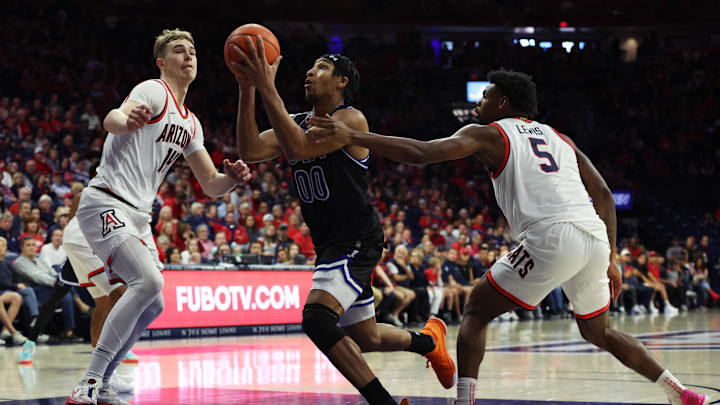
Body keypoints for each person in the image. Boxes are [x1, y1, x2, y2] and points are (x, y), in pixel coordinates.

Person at [308, 69, 709, 405]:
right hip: (593, 237)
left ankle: (464, 403)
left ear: (503, 103)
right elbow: (604, 194)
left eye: (486, 95)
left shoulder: (491, 133)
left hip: (552, 235)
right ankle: (678, 391)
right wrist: (613, 257)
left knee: (476, 311)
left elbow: (423, 152)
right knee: (598, 331)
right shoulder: (561, 138)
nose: (479, 102)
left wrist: (355, 137)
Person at [230, 37, 453, 405]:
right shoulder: (297, 122)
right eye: (310, 66)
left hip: (356, 238)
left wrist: (268, 87)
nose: (308, 72)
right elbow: (250, 150)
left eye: (321, 68)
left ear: (341, 83)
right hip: (330, 242)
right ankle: (429, 341)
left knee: (317, 319)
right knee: (368, 338)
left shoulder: (349, 120)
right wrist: (247, 88)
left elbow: (299, 148)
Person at [66, 28, 252, 405]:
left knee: (155, 302)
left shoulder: (192, 124)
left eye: (193, 51)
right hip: (106, 201)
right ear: (162, 62)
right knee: (147, 282)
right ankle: (88, 381)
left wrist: (231, 180)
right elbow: (111, 119)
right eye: (179, 51)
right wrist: (126, 119)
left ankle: (102, 383)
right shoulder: (153, 90)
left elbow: (211, 185)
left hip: (138, 215)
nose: (188, 56)